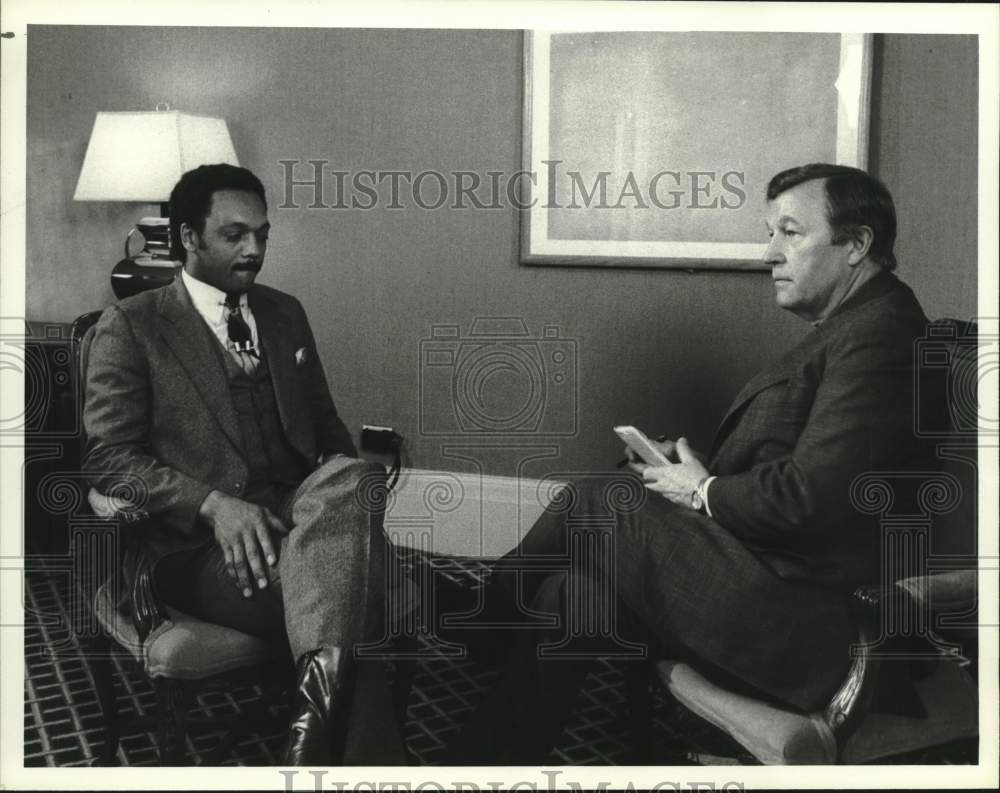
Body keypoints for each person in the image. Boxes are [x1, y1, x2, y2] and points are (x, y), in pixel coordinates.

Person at [444, 163, 934, 764]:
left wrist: (702, 491)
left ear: (856, 244)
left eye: (790, 233)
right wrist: (693, 472)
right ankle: (478, 767)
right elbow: (804, 469)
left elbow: (812, 498)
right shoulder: (858, 325)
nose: (768, 254)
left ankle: (475, 628)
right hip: (762, 574)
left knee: (601, 501)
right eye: (769, 233)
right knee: (572, 596)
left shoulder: (881, 336)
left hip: (804, 623)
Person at [82, 164, 402, 765]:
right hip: (194, 551)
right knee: (365, 592)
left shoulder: (285, 313)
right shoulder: (132, 325)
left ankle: (313, 736)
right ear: (188, 238)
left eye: (262, 233)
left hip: (297, 520)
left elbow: (328, 431)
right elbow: (108, 459)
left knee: (355, 476)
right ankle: (336, 752)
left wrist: (330, 501)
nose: (254, 249)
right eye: (234, 234)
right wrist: (212, 504)